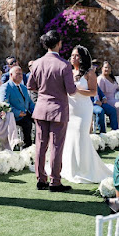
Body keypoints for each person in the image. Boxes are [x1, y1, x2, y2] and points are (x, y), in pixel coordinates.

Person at [27, 30, 77, 192]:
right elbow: (71, 90)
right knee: (56, 146)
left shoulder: (36, 63)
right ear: (58, 44)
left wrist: (43, 90)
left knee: (40, 145)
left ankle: (41, 179)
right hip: (58, 110)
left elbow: (30, 86)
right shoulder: (64, 65)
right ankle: (55, 181)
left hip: (41, 108)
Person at [61, 46, 113, 184]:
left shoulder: (89, 72)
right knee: (70, 137)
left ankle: (85, 169)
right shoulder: (68, 72)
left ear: (83, 57)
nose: (73, 58)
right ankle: (71, 167)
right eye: (72, 55)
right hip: (70, 108)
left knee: (80, 135)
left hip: (83, 109)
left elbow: (93, 92)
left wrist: (77, 90)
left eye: (77, 55)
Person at [0, 66, 35, 148]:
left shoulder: (23, 87)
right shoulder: (5, 87)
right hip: (14, 116)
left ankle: (37, 146)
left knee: (40, 121)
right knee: (27, 124)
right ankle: (27, 149)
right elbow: (4, 104)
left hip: (26, 113)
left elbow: (30, 102)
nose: (20, 76)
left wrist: (34, 112)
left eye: (21, 74)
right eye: (18, 74)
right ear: (11, 74)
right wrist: (17, 113)